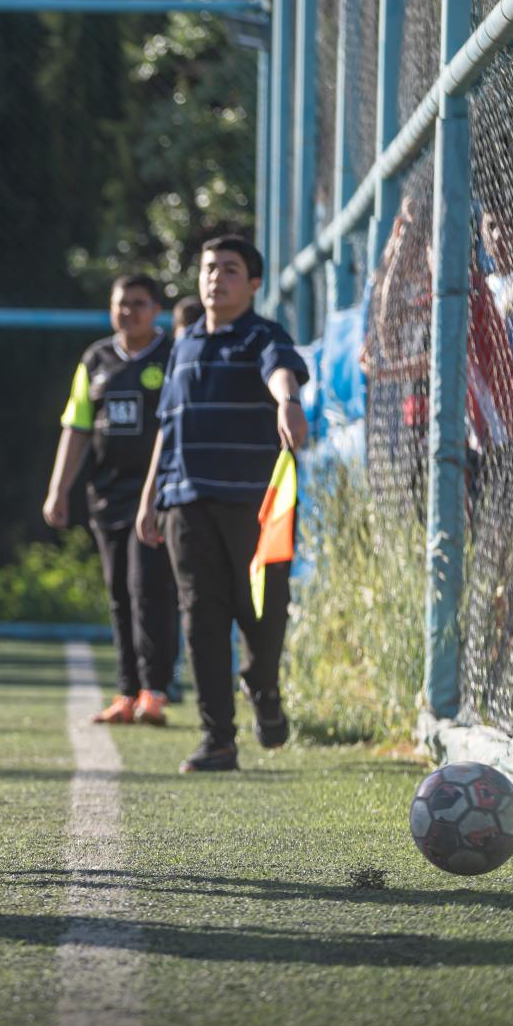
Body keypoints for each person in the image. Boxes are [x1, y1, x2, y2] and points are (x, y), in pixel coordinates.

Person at [136, 236, 309, 772]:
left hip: (255, 508)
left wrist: (288, 401)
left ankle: (262, 686)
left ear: (253, 284)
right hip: (184, 501)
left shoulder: (262, 335)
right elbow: (167, 426)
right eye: (210, 268)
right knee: (201, 618)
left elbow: (281, 370)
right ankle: (217, 740)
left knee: (264, 613)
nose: (216, 278)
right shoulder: (183, 345)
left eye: (230, 270)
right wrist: (150, 498)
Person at [42, 274, 177, 726]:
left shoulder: (171, 356)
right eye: (121, 303)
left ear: (156, 310)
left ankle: (155, 690)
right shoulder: (96, 359)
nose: (128, 312)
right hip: (107, 497)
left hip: (156, 498)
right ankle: (126, 692)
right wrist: (58, 489)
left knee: (148, 589)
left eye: (138, 304)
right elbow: (77, 427)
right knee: (119, 593)